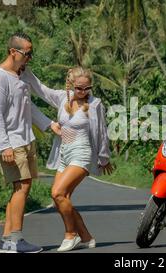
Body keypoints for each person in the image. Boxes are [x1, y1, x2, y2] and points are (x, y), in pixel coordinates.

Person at [20, 66, 113, 252]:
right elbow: (41, 89)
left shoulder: (95, 105)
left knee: (57, 193)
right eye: (79, 88)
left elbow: (101, 133)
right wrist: (24, 71)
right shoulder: (63, 97)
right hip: (64, 153)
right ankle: (86, 237)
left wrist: (104, 158)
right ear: (71, 85)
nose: (84, 92)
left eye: (87, 88)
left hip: (83, 153)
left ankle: (70, 235)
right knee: (60, 199)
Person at [0, 32, 60, 253]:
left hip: (25, 138)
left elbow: (33, 103)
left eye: (31, 53)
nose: (30, 58)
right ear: (13, 52)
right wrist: (3, 146)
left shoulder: (22, 74)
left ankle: (7, 239)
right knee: (23, 186)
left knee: (21, 187)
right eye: (27, 54)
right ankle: (15, 240)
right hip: (11, 141)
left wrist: (49, 123)